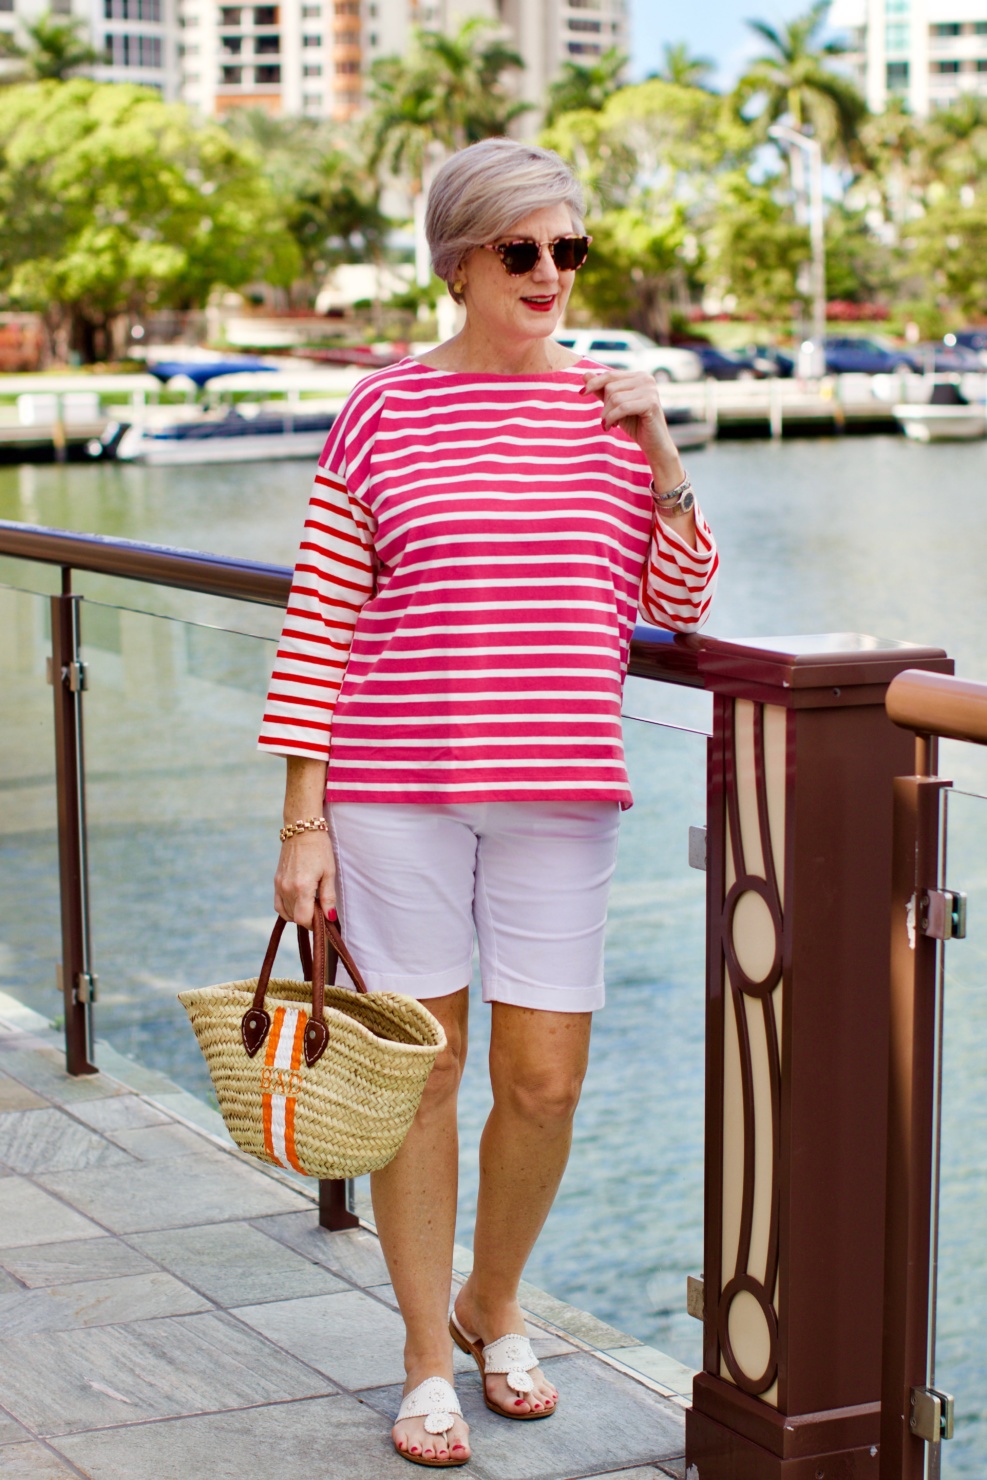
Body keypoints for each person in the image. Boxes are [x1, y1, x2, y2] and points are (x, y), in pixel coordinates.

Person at [259, 137, 718, 1468]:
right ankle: (421, 1356)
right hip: (393, 786)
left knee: (545, 1080)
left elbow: (681, 604)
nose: (550, 274)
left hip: (563, 793)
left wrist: (663, 438)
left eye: (569, 250)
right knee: (426, 1073)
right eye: (522, 250)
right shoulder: (382, 412)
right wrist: (302, 822)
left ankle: (490, 1301)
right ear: (460, 261)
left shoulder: (612, 419)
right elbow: (322, 625)